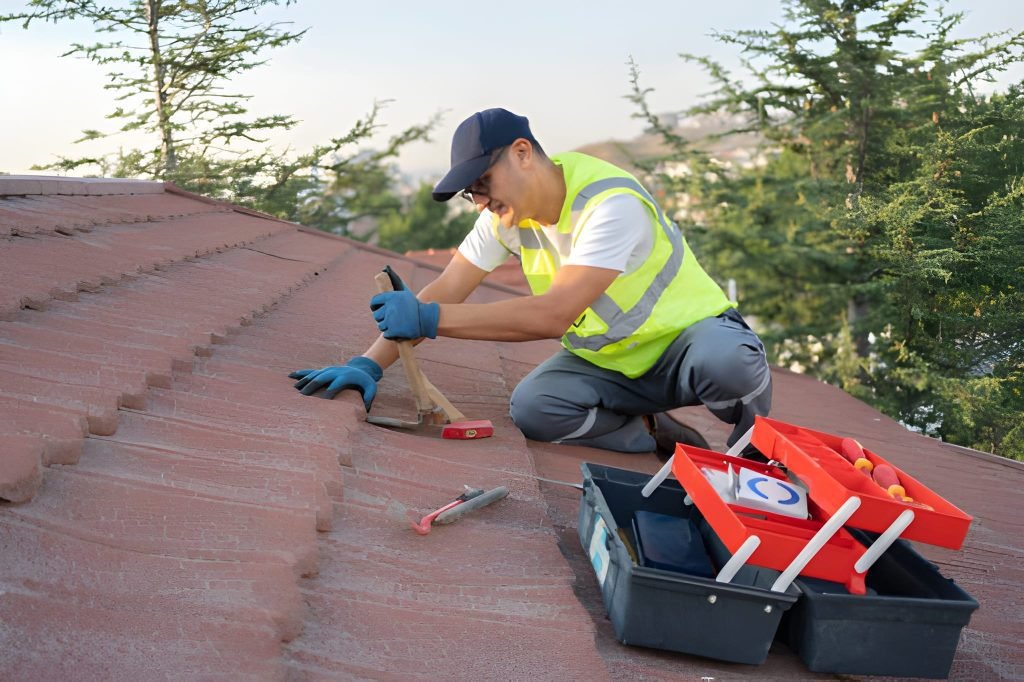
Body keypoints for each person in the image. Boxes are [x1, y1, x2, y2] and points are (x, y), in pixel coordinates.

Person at [289, 108, 772, 458]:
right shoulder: (504, 218)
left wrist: (430, 319)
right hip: (614, 366)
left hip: (689, 347)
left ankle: (759, 451)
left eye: (482, 183)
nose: (478, 201)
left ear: (522, 153)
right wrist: (368, 366)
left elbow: (554, 313)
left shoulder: (610, 203)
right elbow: (446, 288)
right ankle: (654, 432)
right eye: (468, 193)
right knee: (535, 409)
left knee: (729, 362)